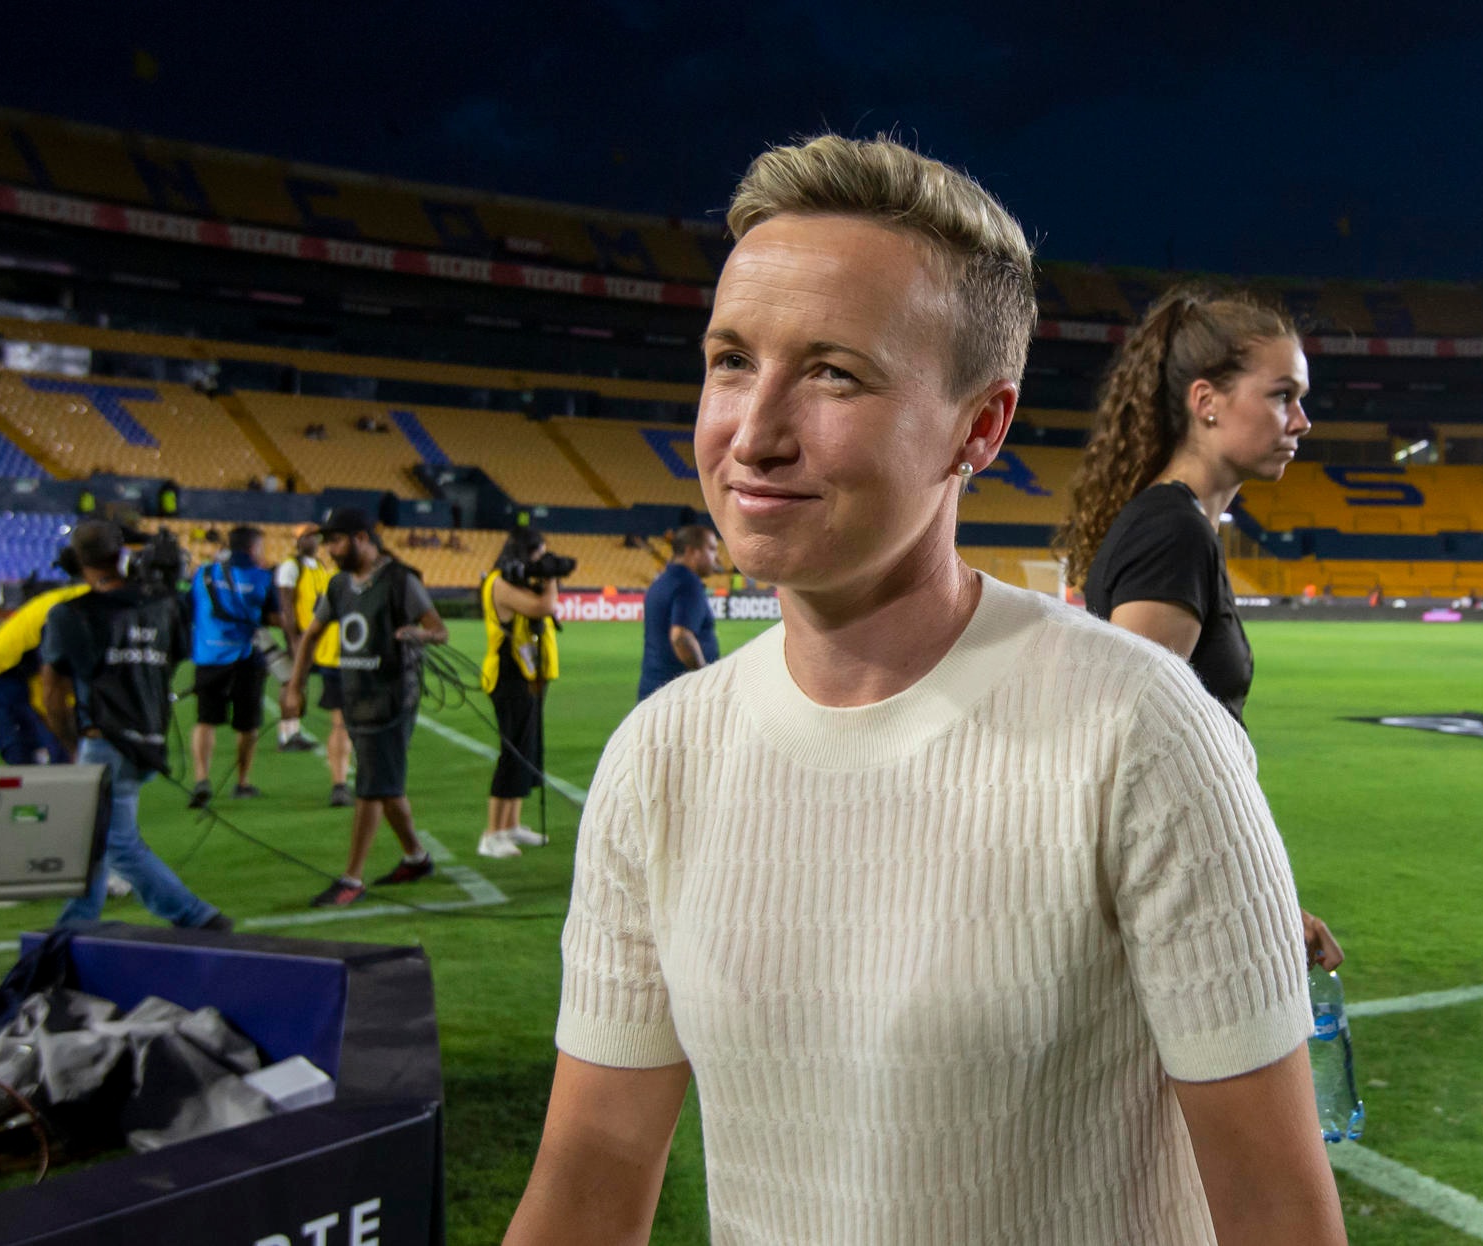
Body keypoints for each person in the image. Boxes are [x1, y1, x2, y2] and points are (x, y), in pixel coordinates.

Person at [507, 136, 1343, 1245]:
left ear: (979, 427)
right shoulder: (658, 756)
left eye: (833, 372)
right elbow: (593, 1170)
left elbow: (1279, 1219)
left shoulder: (1139, 729)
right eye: (730, 360)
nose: (751, 434)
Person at [1058, 287, 1344, 973]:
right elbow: (1133, 755)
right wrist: (1257, 902)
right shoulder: (1172, 532)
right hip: (1183, 915)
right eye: (1282, 396)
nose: (1302, 420)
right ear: (1206, 401)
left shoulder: (1175, 525)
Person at [40, 520, 229, 931]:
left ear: (77, 561)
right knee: (93, 836)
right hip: (151, 738)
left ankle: (196, 915)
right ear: (121, 554)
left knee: (116, 842)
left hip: (105, 741)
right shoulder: (164, 606)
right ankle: (77, 920)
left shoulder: (69, 614)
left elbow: (53, 691)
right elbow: (180, 650)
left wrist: (70, 741)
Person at [280, 508, 448, 908]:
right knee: (385, 786)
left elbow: (439, 630)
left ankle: (351, 878)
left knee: (371, 788)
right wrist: (295, 686)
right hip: (356, 696)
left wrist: (416, 634)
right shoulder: (339, 586)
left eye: (336, 541)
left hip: (392, 699)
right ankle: (416, 857)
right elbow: (311, 635)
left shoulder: (399, 581)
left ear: (360, 538)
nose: (331, 551)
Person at [475, 528, 561, 859]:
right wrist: (551, 578)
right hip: (508, 676)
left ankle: (511, 824)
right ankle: (491, 833)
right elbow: (543, 607)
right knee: (512, 752)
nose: (541, 564)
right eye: (538, 556)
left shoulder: (516, 581)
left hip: (528, 676)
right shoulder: (499, 582)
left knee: (526, 750)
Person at [186, 525, 276, 806]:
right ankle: (242, 782)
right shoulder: (263, 577)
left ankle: (201, 779)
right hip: (246, 658)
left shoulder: (203, 573)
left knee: (205, 721)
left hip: (209, 657)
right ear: (253, 547)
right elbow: (273, 616)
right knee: (247, 725)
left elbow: (189, 607)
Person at [275, 522, 355, 805]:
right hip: (312, 638)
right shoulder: (291, 566)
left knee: (306, 689)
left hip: (324, 642)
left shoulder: (321, 567)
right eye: (308, 536)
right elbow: (286, 603)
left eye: (316, 536)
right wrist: (294, 636)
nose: (314, 540)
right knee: (293, 682)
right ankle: (288, 733)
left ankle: (293, 732)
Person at [0, 579, 89, 765]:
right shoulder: (62, 614)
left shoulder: (76, 600)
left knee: (53, 753)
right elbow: (48, 688)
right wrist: (67, 736)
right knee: (28, 755)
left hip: (20, 674)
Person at [636, 524, 723, 701]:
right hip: (678, 696)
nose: (717, 558)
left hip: (653, 689)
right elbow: (681, 637)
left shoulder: (661, 582)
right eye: (712, 549)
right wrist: (704, 676)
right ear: (692, 551)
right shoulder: (688, 583)